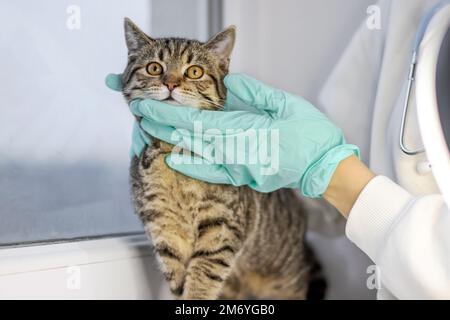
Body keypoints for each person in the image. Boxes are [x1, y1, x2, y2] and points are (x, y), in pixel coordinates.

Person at [106, 0, 450, 299]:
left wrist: (325, 167)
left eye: (192, 72)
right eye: (155, 69)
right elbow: (316, 196)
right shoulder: (401, 9)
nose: (172, 82)